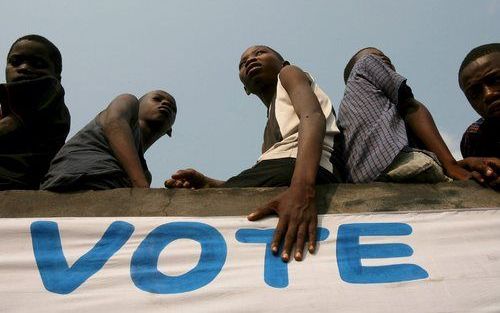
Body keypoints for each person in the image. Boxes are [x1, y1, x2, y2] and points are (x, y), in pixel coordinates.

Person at [165, 45, 343, 262]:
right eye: (242, 62)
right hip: (285, 169)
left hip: (301, 169)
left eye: (260, 53)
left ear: (283, 64)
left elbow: (312, 117)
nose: (250, 60)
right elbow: (257, 185)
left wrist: (302, 189)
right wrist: (208, 184)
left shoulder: (289, 73)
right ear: (245, 89)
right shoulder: (270, 127)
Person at [338, 47, 471, 183]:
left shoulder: (348, 111)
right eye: (378, 55)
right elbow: (411, 107)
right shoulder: (366, 64)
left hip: (364, 180)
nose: (385, 59)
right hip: (399, 164)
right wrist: (451, 165)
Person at [41, 90, 176, 191]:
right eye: (157, 99)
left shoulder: (145, 175)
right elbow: (114, 122)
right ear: (138, 107)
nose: (165, 103)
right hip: (71, 181)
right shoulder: (128, 101)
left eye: (172, 107)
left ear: (169, 130)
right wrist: (141, 186)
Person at [0, 34, 70, 190]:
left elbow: (8, 126)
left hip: (15, 186)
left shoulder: (50, 91)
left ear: (56, 76)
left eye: (38, 64)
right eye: (15, 62)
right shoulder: (8, 108)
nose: (24, 68)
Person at [457, 43, 500, 189]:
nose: (488, 95)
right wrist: (465, 166)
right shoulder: (476, 136)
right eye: (475, 93)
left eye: (496, 81)